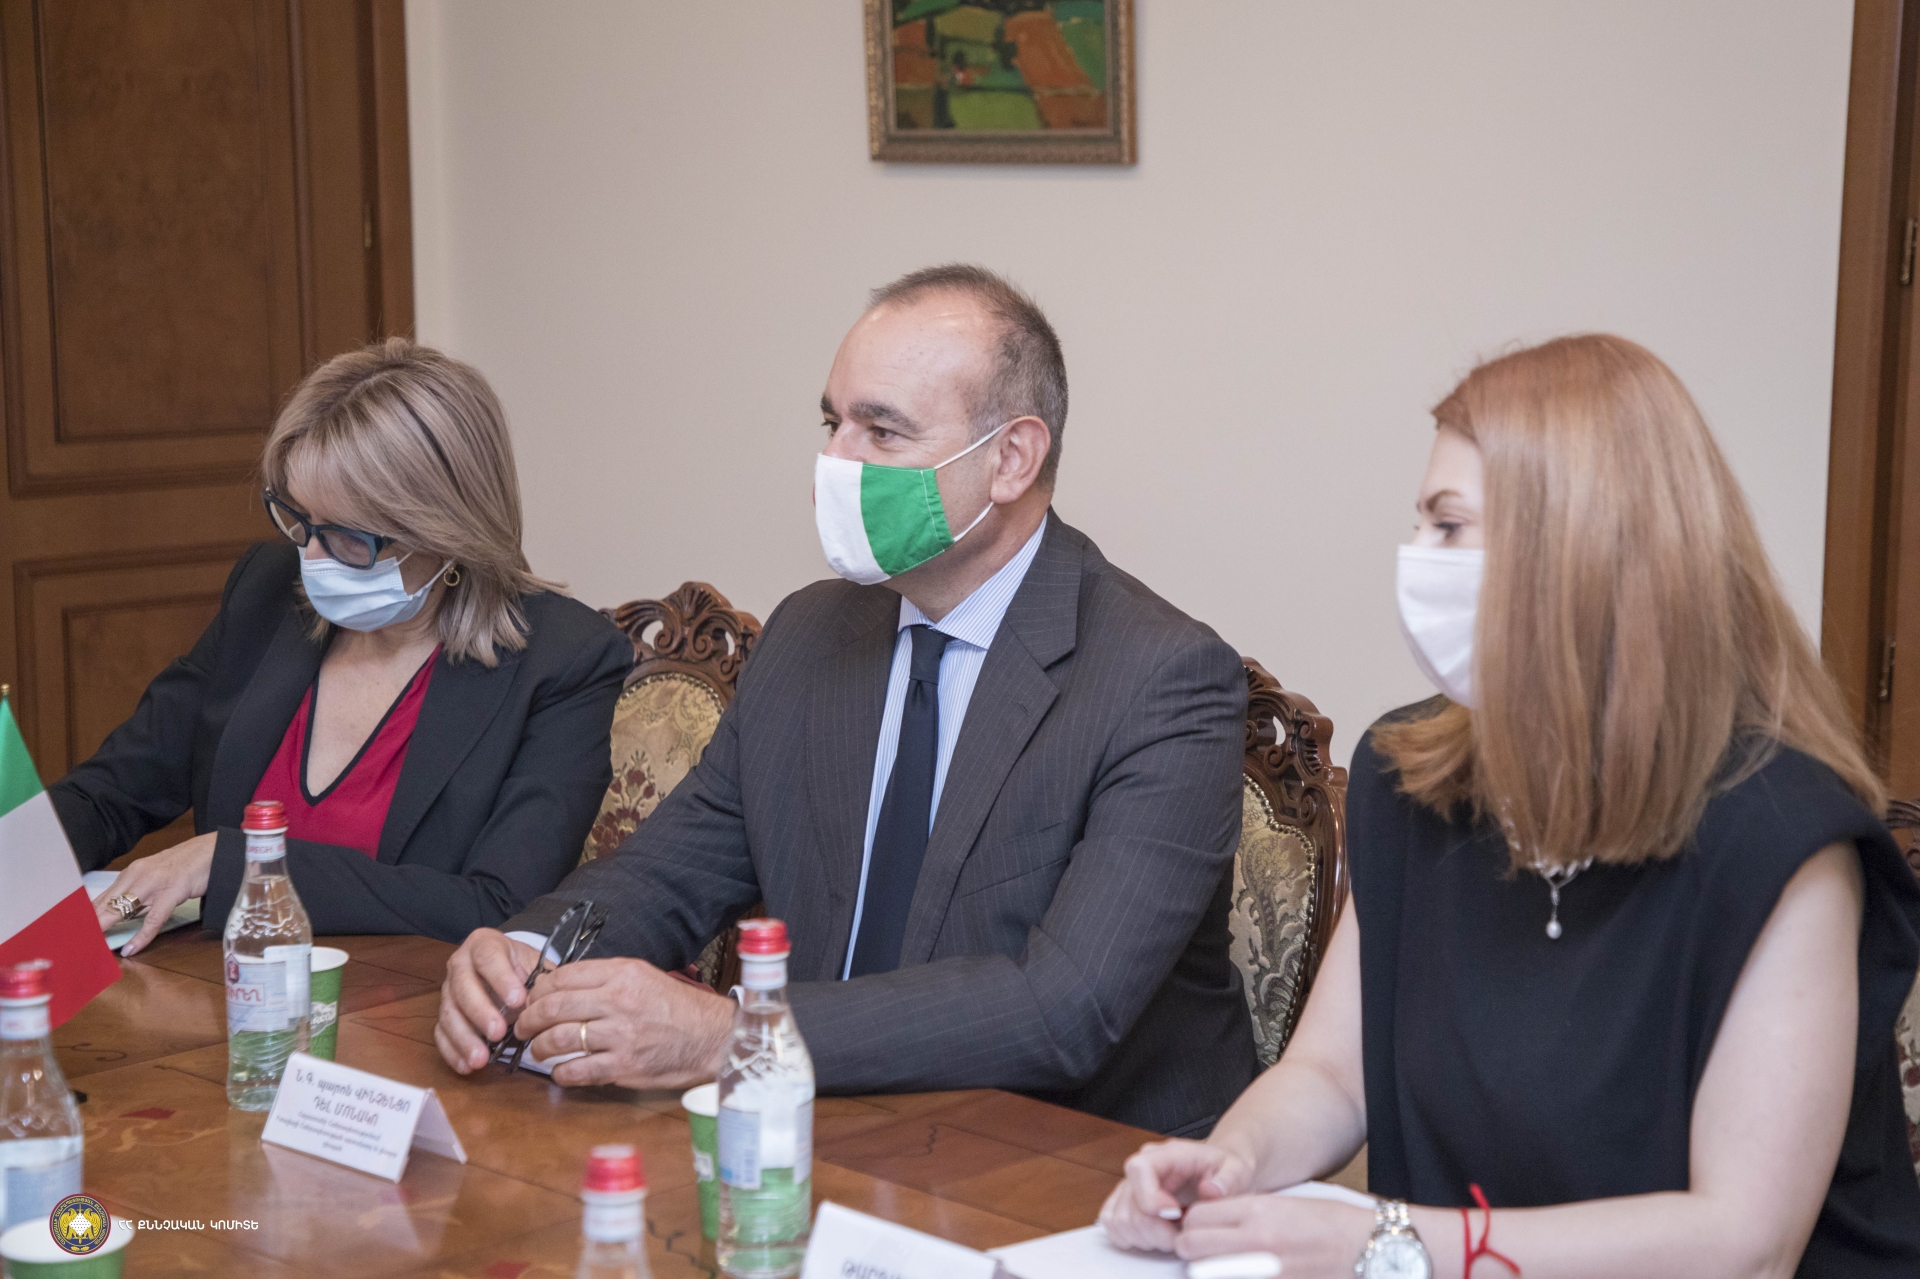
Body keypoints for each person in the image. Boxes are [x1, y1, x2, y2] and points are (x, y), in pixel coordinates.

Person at [1099, 334, 1920, 1276]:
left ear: (1588, 552)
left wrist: (1384, 1244)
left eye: (1450, 527)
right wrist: (1230, 1162)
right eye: (1421, 524)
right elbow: (1330, 1075)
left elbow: (1742, 1244)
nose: (1418, 559)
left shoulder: (1782, 836)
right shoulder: (1408, 778)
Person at [432, 264, 1256, 1136]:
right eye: (833, 423)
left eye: (882, 430)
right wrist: (526, 956)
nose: (835, 463)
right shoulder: (810, 634)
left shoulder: (1162, 678)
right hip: (829, 1132)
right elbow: (668, 873)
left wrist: (730, 1034)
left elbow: (1063, 1008)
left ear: (1012, 458)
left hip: (1078, 1160)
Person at [56, 339, 632, 953]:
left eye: (348, 537)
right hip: (227, 987)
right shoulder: (267, 592)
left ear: (448, 534)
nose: (311, 558)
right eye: (299, 520)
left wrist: (240, 865)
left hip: (407, 1001)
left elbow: (498, 906)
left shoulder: (563, 659)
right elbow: (110, 792)